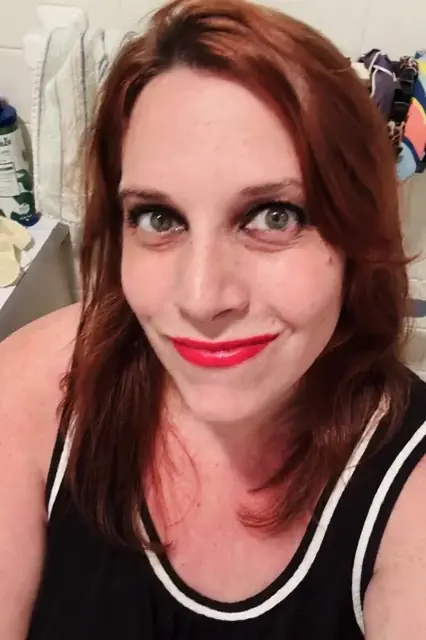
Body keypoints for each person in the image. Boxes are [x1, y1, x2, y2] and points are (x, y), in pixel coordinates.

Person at [1, 0, 426, 637]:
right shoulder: (36, 390)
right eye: (159, 218)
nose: (202, 298)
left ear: (357, 238)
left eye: (274, 216)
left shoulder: (411, 491)